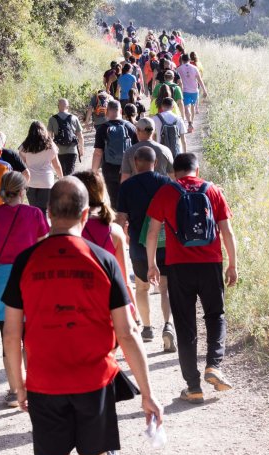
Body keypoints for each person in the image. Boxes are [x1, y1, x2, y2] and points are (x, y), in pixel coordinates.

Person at [1, 177, 162, 455]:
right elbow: (127, 333)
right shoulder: (103, 261)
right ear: (86, 214)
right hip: (94, 383)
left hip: (44, 382)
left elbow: (11, 335)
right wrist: (147, 393)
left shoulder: (25, 261)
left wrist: (20, 385)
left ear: (49, 213)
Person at [145, 153, 238, 404]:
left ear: (174, 173)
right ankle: (214, 365)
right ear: (197, 170)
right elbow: (227, 231)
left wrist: (152, 265)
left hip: (178, 267)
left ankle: (194, 387)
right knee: (215, 315)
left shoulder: (167, 192)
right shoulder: (212, 191)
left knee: (185, 325)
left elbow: (152, 232)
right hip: (210, 264)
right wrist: (232, 264)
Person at [0, 172, 49, 407]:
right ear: (23, 191)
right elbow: (43, 249)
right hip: (30, 279)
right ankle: (32, 387)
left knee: (8, 337)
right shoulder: (34, 214)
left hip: (2, 282)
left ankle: (15, 391)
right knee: (29, 337)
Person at [117, 147, 175, 350]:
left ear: (135, 162)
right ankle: (168, 325)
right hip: (164, 243)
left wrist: (120, 236)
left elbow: (121, 218)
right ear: (156, 162)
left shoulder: (127, 186)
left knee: (142, 287)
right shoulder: (166, 183)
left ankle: (148, 328)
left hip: (139, 245)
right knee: (165, 287)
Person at [73, 170, 140, 325]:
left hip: (78, 306)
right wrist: (135, 317)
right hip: (108, 306)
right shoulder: (114, 231)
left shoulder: (69, 230)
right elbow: (124, 281)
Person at [92, 100, 137, 209]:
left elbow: (98, 153)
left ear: (107, 112)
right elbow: (137, 150)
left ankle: (116, 217)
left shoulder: (102, 129)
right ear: (120, 111)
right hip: (127, 168)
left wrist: (94, 171)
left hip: (109, 168)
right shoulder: (130, 127)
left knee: (114, 198)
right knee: (129, 197)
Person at [19, 121, 63, 216]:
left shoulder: (24, 146)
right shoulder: (50, 145)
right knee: (43, 211)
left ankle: (36, 225)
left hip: (30, 181)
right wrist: (61, 179)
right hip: (46, 181)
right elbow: (57, 165)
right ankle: (43, 225)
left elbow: (21, 166)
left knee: (34, 210)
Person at [120, 118, 174, 182]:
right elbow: (173, 176)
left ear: (137, 130)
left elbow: (125, 178)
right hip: (160, 187)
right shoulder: (165, 150)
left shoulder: (129, 152)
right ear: (154, 131)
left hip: (137, 187)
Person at [47, 98, 85, 176]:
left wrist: (50, 151)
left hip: (59, 150)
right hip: (72, 150)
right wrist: (81, 149)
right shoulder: (74, 118)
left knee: (62, 173)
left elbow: (49, 137)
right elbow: (80, 136)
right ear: (68, 106)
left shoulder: (52, 119)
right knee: (70, 173)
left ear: (58, 106)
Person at [176, 53, 208, 127]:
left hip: (184, 91)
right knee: (193, 106)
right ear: (189, 59)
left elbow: (177, 81)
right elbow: (200, 80)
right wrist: (204, 90)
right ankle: (192, 122)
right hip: (194, 91)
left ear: (182, 60)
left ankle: (189, 122)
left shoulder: (179, 69)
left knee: (186, 107)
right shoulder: (195, 68)